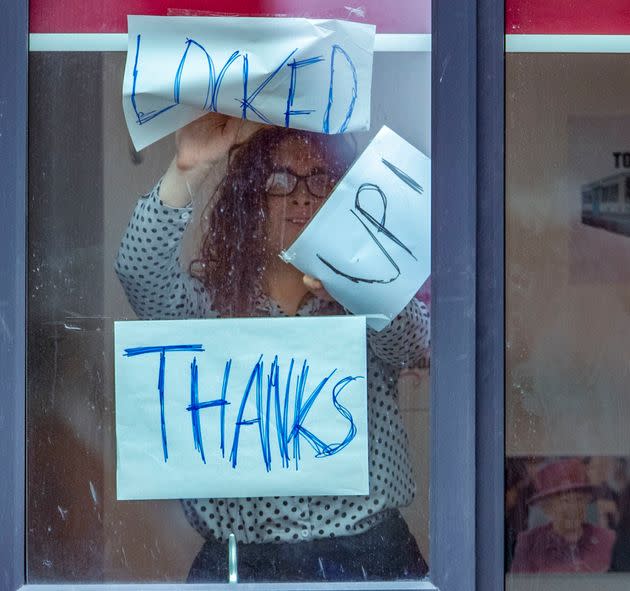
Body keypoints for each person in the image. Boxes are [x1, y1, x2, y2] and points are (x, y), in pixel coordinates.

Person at [115, 114, 430, 582]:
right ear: (250, 200)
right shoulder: (209, 304)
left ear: (341, 198)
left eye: (321, 179)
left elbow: (415, 343)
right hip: (245, 563)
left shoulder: (364, 298)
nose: (303, 194)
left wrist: (357, 285)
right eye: (280, 180)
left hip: (370, 555)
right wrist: (187, 169)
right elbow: (139, 275)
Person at [510, 458, 615, 573]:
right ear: (547, 508)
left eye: (579, 499)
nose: (574, 507)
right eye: (566, 500)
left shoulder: (607, 539)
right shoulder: (529, 544)